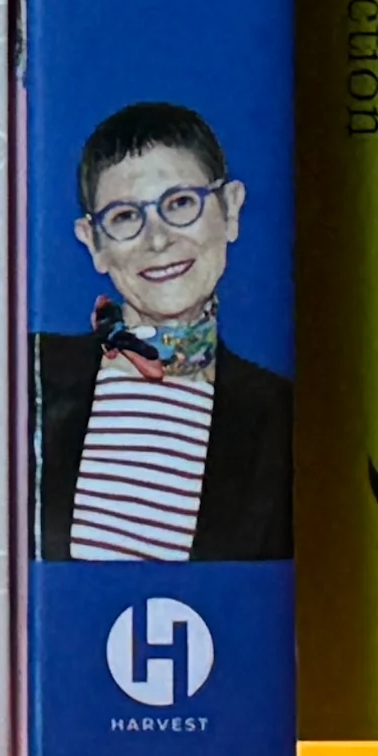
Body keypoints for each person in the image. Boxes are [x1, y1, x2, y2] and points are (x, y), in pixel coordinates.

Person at [31, 98, 292, 561]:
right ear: (94, 243)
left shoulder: (284, 419)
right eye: (126, 217)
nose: (158, 239)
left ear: (231, 211)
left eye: (181, 204)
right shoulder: (30, 376)